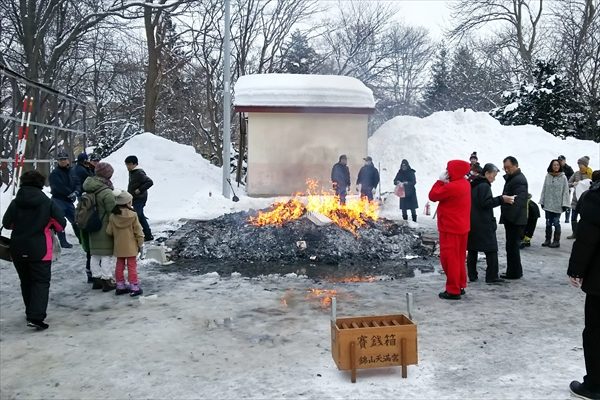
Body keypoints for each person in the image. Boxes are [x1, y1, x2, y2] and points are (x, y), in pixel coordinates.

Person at [2, 170, 66, 330]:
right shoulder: (47, 202)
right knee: (40, 282)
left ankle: (30, 311)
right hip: (40, 249)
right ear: (40, 184)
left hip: (17, 248)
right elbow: (60, 224)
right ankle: (36, 317)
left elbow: (7, 223)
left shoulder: (16, 202)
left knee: (26, 281)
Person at [567, 170, 600, 400]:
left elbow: (587, 239)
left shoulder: (596, 198)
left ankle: (595, 386)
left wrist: (576, 270)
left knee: (596, 332)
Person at [428, 160, 471, 300]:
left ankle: (453, 290)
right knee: (459, 258)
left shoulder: (453, 186)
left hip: (450, 228)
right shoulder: (465, 184)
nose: (447, 172)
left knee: (449, 259)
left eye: (448, 169)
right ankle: (460, 284)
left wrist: (440, 181)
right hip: (461, 227)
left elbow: (433, 196)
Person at [467, 163, 513, 284]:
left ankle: (472, 275)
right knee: (491, 249)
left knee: (473, 249)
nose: (494, 178)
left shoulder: (475, 184)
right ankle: (491, 276)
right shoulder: (484, 186)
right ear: (487, 173)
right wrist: (502, 199)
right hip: (483, 222)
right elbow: (486, 203)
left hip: (473, 221)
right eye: (493, 175)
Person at [83, 162, 117, 292]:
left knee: (95, 254)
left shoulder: (89, 187)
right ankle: (107, 280)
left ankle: (96, 279)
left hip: (92, 225)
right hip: (104, 227)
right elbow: (112, 211)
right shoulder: (106, 192)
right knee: (106, 255)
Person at [107, 190, 145, 297]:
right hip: (131, 246)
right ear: (128, 202)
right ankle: (134, 286)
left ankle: (120, 286)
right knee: (132, 266)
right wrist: (140, 243)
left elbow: (109, 231)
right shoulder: (133, 215)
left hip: (119, 246)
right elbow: (138, 231)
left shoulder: (113, 216)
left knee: (119, 265)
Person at [499, 156, 528, 280]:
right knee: (511, 246)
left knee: (512, 247)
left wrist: (510, 218)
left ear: (516, 165)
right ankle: (514, 271)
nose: (506, 170)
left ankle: (514, 272)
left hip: (515, 220)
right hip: (513, 219)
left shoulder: (519, 180)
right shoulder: (514, 178)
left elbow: (519, 201)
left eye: (509, 167)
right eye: (505, 168)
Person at [71, 152, 95, 282]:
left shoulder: (78, 168)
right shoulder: (83, 171)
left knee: (90, 252)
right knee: (93, 252)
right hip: (91, 227)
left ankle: (91, 273)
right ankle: (94, 274)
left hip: (85, 225)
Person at [48, 151, 79, 248]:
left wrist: (76, 192)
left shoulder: (72, 171)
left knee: (76, 220)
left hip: (69, 201)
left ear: (68, 160)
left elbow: (78, 182)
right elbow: (58, 187)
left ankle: (81, 239)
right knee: (59, 221)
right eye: (60, 160)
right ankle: (63, 241)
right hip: (58, 200)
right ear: (58, 161)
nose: (62, 161)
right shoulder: (54, 173)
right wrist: (70, 193)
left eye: (64, 159)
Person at [539, 159, 570, 248]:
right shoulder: (548, 176)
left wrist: (565, 204)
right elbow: (544, 189)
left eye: (557, 165)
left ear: (560, 166)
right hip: (548, 204)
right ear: (551, 166)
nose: (556, 166)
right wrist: (542, 201)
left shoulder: (563, 177)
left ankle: (556, 241)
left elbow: (565, 191)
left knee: (556, 222)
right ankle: (547, 240)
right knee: (548, 222)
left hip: (558, 205)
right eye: (554, 165)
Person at [125, 155, 154, 241]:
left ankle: (148, 234)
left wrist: (140, 190)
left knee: (139, 215)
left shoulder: (139, 173)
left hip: (140, 198)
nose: (127, 167)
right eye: (126, 165)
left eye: (129, 165)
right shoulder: (132, 172)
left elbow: (150, 182)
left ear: (134, 164)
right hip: (134, 197)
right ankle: (145, 233)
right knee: (139, 215)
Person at [568, 156, 593, 239]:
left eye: (581, 164)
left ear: (585, 165)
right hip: (575, 200)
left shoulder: (590, 174)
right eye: (579, 164)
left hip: (586, 201)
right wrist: (573, 184)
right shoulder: (576, 173)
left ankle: (583, 233)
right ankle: (574, 233)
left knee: (584, 219)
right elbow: (568, 183)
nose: (579, 166)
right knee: (573, 218)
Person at [558, 155, 575, 223]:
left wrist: (568, 182)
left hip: (567, 187)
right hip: (558, 188)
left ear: (564, 161)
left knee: (567, 202)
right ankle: (557, 217)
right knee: (558, 203)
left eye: (561, 160)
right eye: (559, 160)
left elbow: (572, 177)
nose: (560, 162)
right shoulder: (556, 167)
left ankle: (567, 218)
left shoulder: (568, 168)